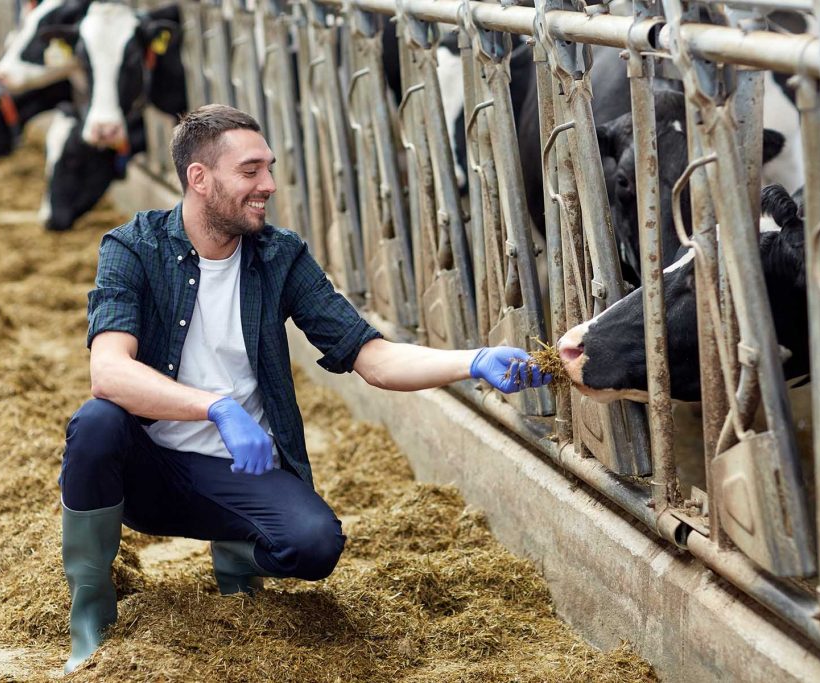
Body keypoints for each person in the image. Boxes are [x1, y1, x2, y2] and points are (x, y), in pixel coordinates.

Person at [59, 103, 552, 673]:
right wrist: (215, 407)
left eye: (268, 167)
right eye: (250, 171)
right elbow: (109, 372)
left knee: (315, 545)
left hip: (241, 469)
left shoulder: (280, 255)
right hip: (147, 471)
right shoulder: (133, 247)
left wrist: (475, 361)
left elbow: (373, 358)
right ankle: (91, 614)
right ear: (200, 178)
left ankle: (237, 555)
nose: (268, 184)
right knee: (96, 423)